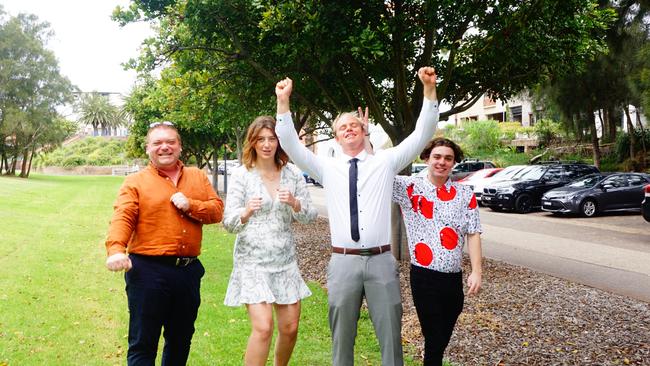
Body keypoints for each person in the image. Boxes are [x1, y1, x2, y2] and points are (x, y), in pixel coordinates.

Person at [275, 67, 439, 366]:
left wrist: (429, 91)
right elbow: (290, 144)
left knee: (390, 336)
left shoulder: (386, 162)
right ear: (336, 137)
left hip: (381, 262)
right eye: (342, 128)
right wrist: (283, 103)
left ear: (364, 131)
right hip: (343, 262)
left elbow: (422, 135)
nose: (349, 129)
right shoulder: (326, 167)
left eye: (354, 125)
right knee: (341, 338)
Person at [104, 121, 224, 366]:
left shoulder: (198, 177)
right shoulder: (135, 182)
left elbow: (217, 211)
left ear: (180, 146)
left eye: (170, 142)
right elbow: (123, 216)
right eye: (157, 143)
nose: (164, 147)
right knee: (143, 343)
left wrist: (191, 205)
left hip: (187, 273)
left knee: (180, 340)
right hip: (147, 272)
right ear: (147, 148)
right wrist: (116, 249)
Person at [222, 116, 317, 366]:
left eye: (272, 139)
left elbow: (310, 216)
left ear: (279, 142)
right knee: (263, 328)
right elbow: (228, 222)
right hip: (252, 263)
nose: (266, 144)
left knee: (290, 328)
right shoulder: (242, 175)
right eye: (261, 139)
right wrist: (245, 212)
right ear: (252, 143)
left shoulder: (293, 175)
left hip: (284, 263)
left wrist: (295, 203)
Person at [392, 137, 482, 365]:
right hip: (424, 277)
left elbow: (473, 233)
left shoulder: (464, 194)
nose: (442, 162)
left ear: (454, 163)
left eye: (448, 158)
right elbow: (376, 170)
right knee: (434, 337)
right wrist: (366, 139)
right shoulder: (409, 187)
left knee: (442, 338)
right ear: (426, 158)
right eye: (437, 156)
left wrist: (476, 271)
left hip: (453, 279)